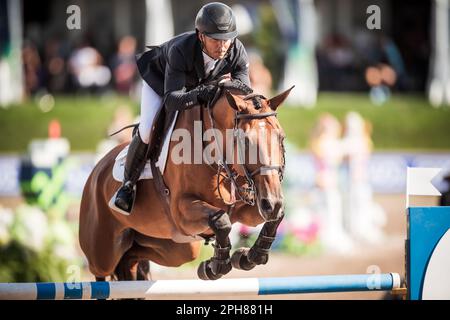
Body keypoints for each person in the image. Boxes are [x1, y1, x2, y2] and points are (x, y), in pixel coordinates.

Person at [114, 2, 251, 214]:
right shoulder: (181, 50)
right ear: (200, 36)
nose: (223, 46)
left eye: (227, 39)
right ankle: (128, 185)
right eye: (216, 39)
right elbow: (173, 100)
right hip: (160, 82)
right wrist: (202, 93)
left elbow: (244, 92)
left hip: (196, 84)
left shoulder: (236, 51)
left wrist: (222, 88)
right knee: (147, 129)